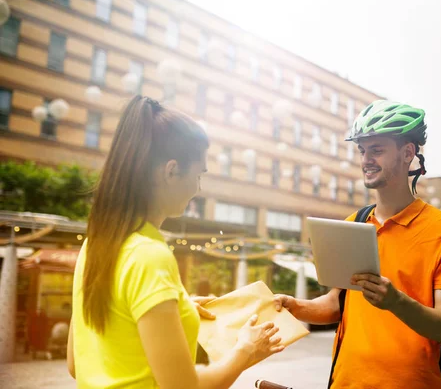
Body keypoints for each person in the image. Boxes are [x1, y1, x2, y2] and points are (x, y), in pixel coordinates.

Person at [67, 96, 284, 389]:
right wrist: (245, 351)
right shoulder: (150, 257)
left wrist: (178, 308)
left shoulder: (95, 245)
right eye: (198, 175)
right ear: (171, 171)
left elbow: (75, 362)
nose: (197, 189)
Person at [275, 100, 441, 388]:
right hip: (345, 382)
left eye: (377, 150)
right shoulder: (352, 224)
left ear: (408, 153)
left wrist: (395, 302)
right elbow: (336, 304)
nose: (366, 159)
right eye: (362, 150)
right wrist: (295, 306)